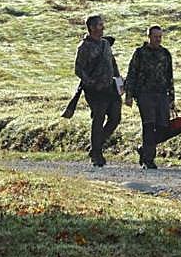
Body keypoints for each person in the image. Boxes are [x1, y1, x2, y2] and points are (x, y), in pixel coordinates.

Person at [124, 25, 174, 170]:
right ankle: (148, 160)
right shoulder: (140, 53)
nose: (158, 39)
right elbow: (132, 73)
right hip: (144, 94)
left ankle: (144, 149)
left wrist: (171, 98)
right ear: (149, 37)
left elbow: (169, 76)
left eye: (160, 36)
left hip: (161, 95)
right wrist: (129, 95)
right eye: (155, 36)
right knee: (149, 125)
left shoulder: (165, 54)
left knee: (162, 127)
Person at [74, 14, 121, 167]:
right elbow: (79, 69)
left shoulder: (106, 44)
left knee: (115, 118)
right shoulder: (84, 47)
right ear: (92, 28)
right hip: (95, 91)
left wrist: (119, 82)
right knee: (98, 119)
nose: (103, 28)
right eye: (100, 25)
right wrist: (92, 83)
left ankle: (96, 146)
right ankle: (97, 154)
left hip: (110, 88)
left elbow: (113, 64)